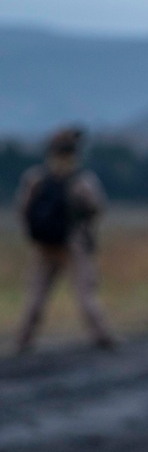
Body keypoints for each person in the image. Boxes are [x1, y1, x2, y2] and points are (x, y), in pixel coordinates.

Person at [14, 126, 115, 352]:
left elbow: (22, 210)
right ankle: (102, 337)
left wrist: (34, 234)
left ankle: (23, 339)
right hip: (72, 244)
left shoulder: (36, 178)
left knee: (36, 295)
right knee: (86, 294)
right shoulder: (82, 180)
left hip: (43, 246)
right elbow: (97, 207)